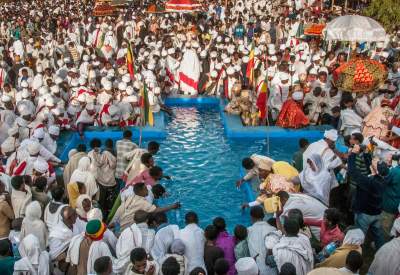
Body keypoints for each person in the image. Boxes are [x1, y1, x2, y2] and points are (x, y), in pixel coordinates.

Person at [348, 144, 389, 249]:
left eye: (375, 164)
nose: (373, 162)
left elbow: (352, 171)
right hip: (377, 212)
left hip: (364, 214)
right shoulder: (383, 179)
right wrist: (366, 154)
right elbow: (371, 167)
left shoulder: (368, 182)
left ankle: (356, 253)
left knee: (359, 236)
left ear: (375, 171)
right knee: (378, 236)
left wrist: (352, 154)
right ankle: (381, 251)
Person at [113, 182, 180, 231]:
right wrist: (172, 206)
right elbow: (157, 210)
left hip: (121, 223)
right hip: (127, 228)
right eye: (145, 189)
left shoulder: (131, 197)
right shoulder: (143, 203)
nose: (147, 190)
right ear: (140, 192)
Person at [247, 206, 277, 275]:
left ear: (251, 217)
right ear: (263, 216)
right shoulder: (273, 229)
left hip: (257, 271)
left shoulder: (248, 231)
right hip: (273, 271)